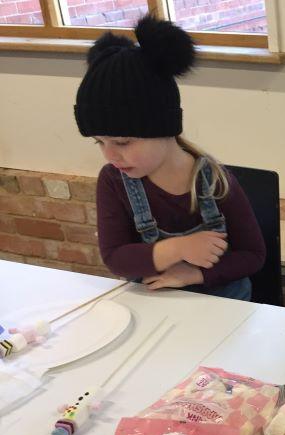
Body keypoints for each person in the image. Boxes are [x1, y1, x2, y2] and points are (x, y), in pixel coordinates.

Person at [74, 16, 265, 301]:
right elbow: (115, 257)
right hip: (156, 305)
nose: (110, 155)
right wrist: (178, 249)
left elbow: (253, 254)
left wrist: (195, 273)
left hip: (223, 306)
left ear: (163, 129)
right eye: (99, 142)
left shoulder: (214, 180)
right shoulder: (114, 180)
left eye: (122, 142)